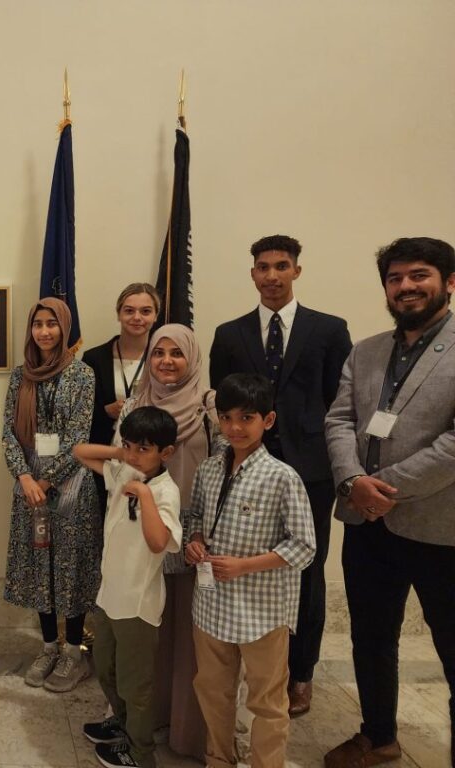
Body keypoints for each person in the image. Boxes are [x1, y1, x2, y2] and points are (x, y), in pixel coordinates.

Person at [324, 237, 455, 768]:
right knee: (372, 637)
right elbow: (338, 420)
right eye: (395, 278)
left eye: (418, 275)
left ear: (448, 282)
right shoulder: (368, 350)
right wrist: (354, 480)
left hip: (439, 527)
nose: (406, 287)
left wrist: (386, 487)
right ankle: (378, 736)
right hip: (366, 524)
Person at [209, 235, 351, 716]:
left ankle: (301, 673)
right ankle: (253, 661)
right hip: (244, 468)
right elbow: (220, 403)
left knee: (304, 573)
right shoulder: (230, 334)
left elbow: (340, 405)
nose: (272, 275)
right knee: (245, 564)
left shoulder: (329, 331)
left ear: (296, 271)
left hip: (309, 470)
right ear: (252, 273)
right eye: (263, 267)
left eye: (281, 266)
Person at [185, 373, 315, 768]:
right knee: (213, 691)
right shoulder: (208, 470)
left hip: (262, 611)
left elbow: (304, 546)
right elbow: (195, 518)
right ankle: (218, 759)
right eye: (226, 418)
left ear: (268, 420)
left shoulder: (281, 477)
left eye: (247, 418)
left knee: (268, 702)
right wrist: (194, 542)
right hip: (211, 606)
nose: (235, 428)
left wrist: (245, 565)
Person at [118, 322, 217, 759]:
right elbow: (119, 466)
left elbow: (219, 473)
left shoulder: (210, 409)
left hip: (193, 537)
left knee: (188, 637)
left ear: (192, 358)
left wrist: (200, 531)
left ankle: (187, 730)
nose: (167, 362)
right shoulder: (135, 405)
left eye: (177, 353)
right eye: (159, 353)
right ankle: (145, 718)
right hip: (142, 537)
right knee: (147, 635)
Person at [74, 406, 182, 768]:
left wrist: (146, 497)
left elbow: (157, 542)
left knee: (136, 687)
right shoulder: (124, 470)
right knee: (104, 667)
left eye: (144, 448)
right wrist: (122, 454)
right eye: (130, 445)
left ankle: (140, 753)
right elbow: (79, 452)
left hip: (138, 605)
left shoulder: (166, 491)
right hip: (109, 596)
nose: (135, 454)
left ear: (166, 453)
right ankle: (121, 726)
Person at [2, 297, 100, 693]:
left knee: (70, 568)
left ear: (64, 328)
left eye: (52, 324)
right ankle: (47, 647)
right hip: (29, 485)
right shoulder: (19, 376)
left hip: (72, 485)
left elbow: (78, 438)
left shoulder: (83, 375)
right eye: (37, 324)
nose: (44, 331)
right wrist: (25, 477)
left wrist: (47, 481)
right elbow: (8, 433)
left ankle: (73, 653)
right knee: (39, 565)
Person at [82, 282, 160, 503]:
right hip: (104, 461)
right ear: (118, 314)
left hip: (148, 462)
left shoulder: (163, 359)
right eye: (129, 310)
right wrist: (105, 410)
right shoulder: (94, 358)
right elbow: (81, 412)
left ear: (156, 316)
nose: (137, 317)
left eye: (146, 311)